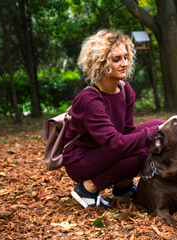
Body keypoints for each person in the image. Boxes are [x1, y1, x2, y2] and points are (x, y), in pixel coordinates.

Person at [62, 29, 164, 209]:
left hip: (105, 149)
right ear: (99, 63)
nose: (124, 63)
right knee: (145, 147)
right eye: (116, 59)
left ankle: (122, 188)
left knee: (159, 126)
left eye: (125, 57)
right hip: (81, 160)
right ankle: (87, 189)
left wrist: (159, 129)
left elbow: (127, 132)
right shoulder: (90, 100)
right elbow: (116, 143)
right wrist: (151, 135)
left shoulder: (125, 91)